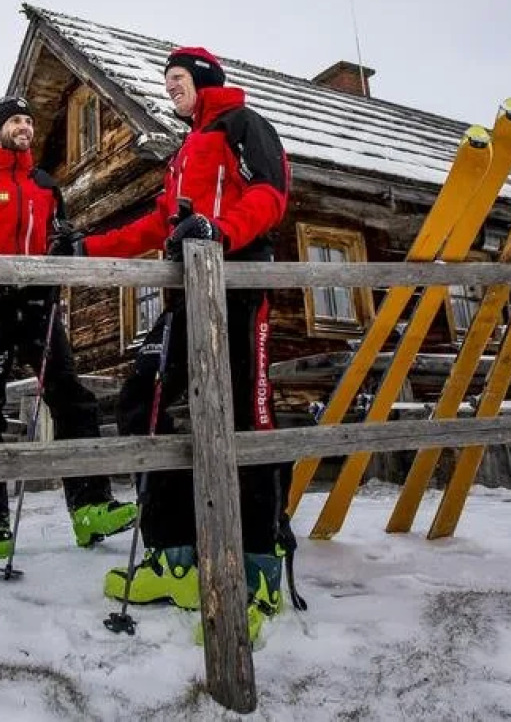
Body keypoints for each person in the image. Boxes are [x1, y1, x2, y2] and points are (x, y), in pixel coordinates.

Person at [69, 47, 291, 643]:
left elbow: (271, 195)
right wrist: (86, 248)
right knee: (145, 405)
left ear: (205, 79)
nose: (170, 89)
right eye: (166, 81)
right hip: (185, 293)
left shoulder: (244, 126)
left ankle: (258, 571)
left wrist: (218, 231)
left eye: (178, 80)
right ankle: (176, 558)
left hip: (238, 284)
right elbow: (156, 224)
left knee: (247, 417)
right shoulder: (184, 150)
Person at [0, 96, 138, 559]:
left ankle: (91, 507)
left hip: (39, 307)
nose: (25, 127)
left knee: (72, 398)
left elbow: (59, 230)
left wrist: (66, 239)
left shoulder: (47, 184)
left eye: (28, 120)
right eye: (15, 121)